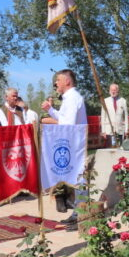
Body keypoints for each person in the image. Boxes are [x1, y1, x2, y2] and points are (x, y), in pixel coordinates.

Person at [42, 69, 87, 224]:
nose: (56, 83)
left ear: (67, 81)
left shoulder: (73, 97)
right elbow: (63, 118)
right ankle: (79, 212)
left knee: (79, 179)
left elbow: (68, 124)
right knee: (76, 179)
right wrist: (50, 110)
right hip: (72, 143)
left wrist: (50, 120)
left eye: (58, 80)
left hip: (75, 144)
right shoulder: (69, 98)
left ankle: (81, 214)